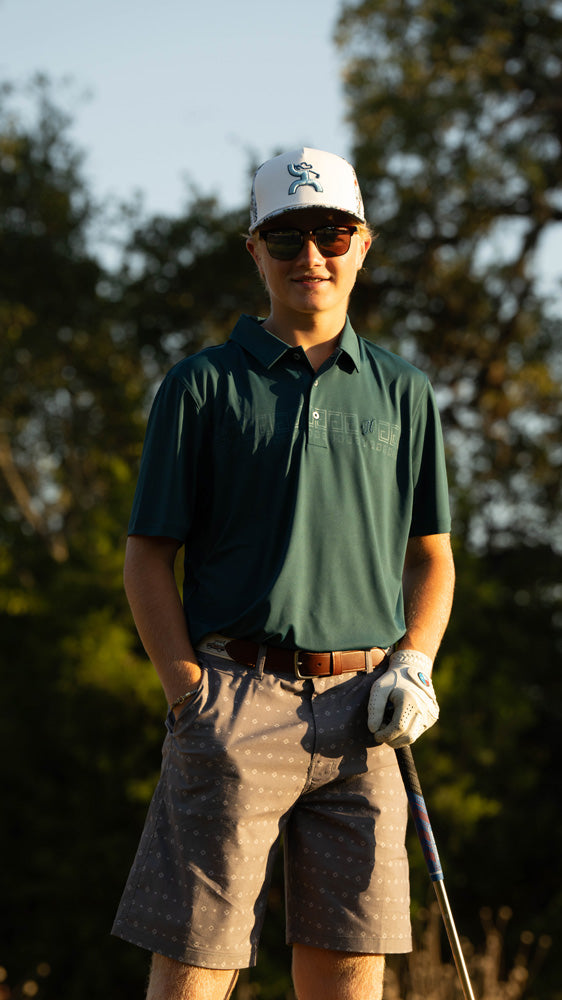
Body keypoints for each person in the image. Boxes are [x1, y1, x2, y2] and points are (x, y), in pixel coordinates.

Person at [112, 147, 455, 1000]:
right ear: (255, 250)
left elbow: (431, 554)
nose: (312, 255)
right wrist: (190, 695)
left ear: (363, 244)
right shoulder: (200, 386)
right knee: (194, 971)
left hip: (367, 716)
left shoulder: (404, 393)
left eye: (332, 233)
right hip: (233, 696)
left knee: (348, 978)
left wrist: (415, 660)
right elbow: (147, 554)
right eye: (287, 235)